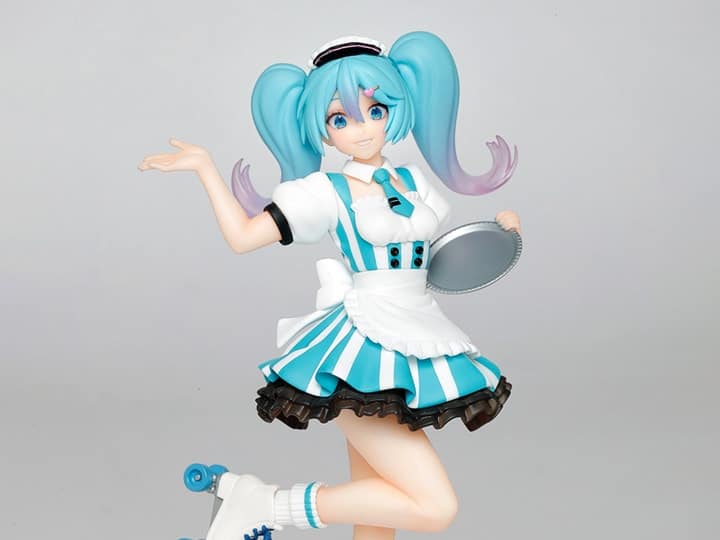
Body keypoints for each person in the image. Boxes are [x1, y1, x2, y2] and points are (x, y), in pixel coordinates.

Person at [140, 31, 520, 540]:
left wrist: (500, 237)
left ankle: (262, 504)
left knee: (377, 512)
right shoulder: (325, 191)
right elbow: (243, 237)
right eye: (339, 120)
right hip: (361, 346)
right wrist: (206, 168)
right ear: (320, 128)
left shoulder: (413, 183)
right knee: (434, 508)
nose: (360, 129)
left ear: (397, 109)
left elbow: (435, 263)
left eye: (375, 110)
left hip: (418, 337)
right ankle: (265, 504)